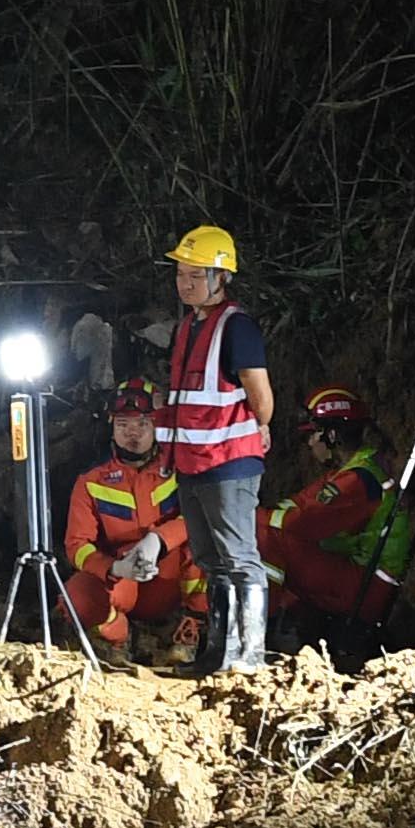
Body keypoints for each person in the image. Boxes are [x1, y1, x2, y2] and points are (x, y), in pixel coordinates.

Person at [154, 221, 275, 669]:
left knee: (240, 557)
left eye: (194, 275)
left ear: (220, 277)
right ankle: (219, 655)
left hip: (228, 462)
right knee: (211, 559)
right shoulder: (188, 327)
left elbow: (261, 398)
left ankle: (250, 657)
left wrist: (259, 426)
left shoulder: (236, 327)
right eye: (181, 275)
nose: (184, 284)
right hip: (193, 463)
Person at [64, 381, 211, 668]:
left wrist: (157, 540)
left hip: (170, 577)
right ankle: (117, 638)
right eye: (123, 424)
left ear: (157, 423)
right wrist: (114, 568)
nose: (133, 433)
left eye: (142, 424)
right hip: (123, 580)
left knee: (206, 544)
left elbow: (201, 515)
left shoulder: (180, 467)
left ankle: (190, 631)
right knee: (76, 597)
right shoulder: (92, 480)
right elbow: (76, 546)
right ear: (111, 425)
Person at [258, 383, 399, 645]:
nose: (310, 442)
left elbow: (306, 524)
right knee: (269, 531)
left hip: (365, 588)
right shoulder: (348, 472)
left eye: (313, 434)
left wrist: (258, 521)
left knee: (269, 537)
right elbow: (298, 503)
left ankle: (260, 628)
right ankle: (285, 624)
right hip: (357, 577)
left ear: (332, 435)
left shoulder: (361, 480)